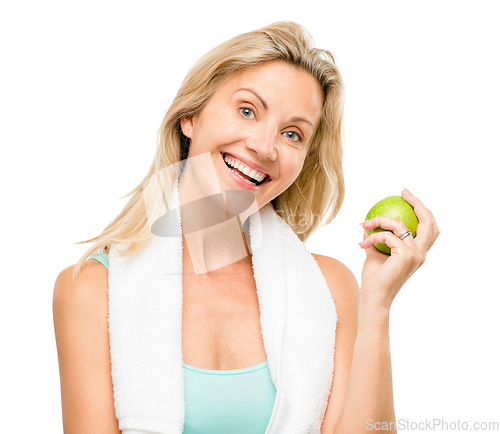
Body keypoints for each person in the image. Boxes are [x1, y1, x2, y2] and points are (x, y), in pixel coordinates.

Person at [52, 21, 440, 433]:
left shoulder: (331, 289)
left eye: (293, 134)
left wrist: (376, 306)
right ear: (190, 116)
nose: (264, 147)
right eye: (247, 110)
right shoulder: (92, 290)